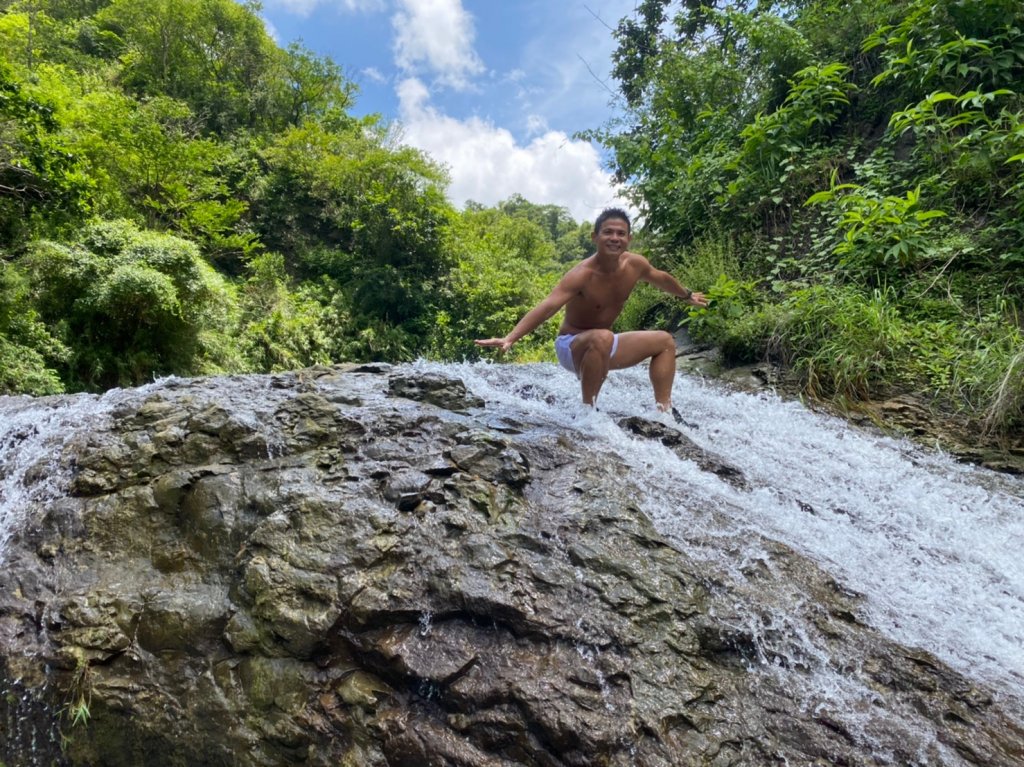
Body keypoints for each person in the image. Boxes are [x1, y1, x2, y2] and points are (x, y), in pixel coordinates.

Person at [475, 207, 708, 414]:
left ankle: (665, 411)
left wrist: (686, 295)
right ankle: (588, 413)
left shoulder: (635, 265)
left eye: (621, 233)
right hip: (572, 346)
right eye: (608, 232)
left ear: (629, 239)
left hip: (606, 344)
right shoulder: (582, 274)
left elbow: (661, 279)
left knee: (665, 341)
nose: (614, 238)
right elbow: (548, 306)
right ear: (595, 237)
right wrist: (511, 338)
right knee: (602, 336)